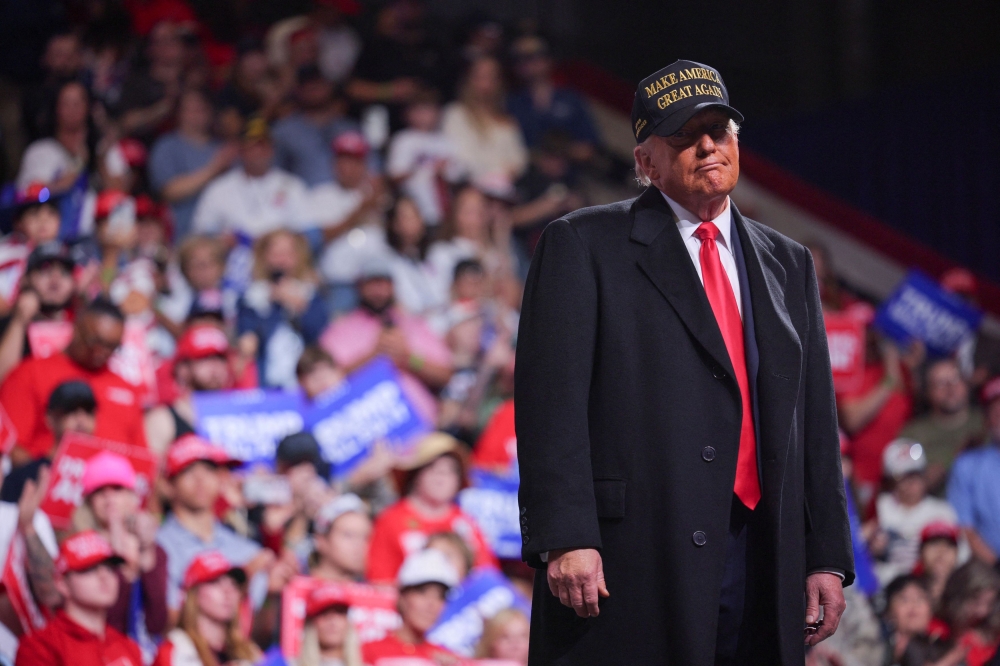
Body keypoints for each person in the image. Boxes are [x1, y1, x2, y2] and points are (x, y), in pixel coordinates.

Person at [515, 60, 853, 664]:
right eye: (684, 137)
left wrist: (825, 553)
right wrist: (565, 535)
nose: (707, 147)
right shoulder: (583, 244)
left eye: (718, 132)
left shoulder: (790, 262)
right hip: (636, 551)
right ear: (645, 162)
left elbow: (815, 422)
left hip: (762, 550)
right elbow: (550, 406)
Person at [0, 298, 147, 465]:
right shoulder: (30, 373)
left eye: (112, 347)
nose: (102, 352)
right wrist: (51, 472)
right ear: (76, 328)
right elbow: (11, 446)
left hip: (115, 479)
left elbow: (141, 460)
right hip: (46, 474)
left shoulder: (127, 389)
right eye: (95, 342)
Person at [156, 434, 294, 612]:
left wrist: (272, 594)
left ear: (220, 478)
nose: (200, 478)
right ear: (168, 485)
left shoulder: (245, 548)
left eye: (209, 469)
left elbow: (259, 626)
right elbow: (164, 619)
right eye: (188, 470)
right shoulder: (159, 547)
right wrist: (243, 579)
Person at [319, 258, 452, 424]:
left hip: (421, 425)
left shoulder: (413, 324)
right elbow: (325, 384)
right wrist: (374, 355)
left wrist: (409, 358)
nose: (378, 291)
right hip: (367, 426)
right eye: (372, 284)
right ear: (360, 286)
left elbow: (444, 375)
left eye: (383, 283)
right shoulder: (339, 330)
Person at [367, 432, 497, 584]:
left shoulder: (468, 523)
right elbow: (380, 582)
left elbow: (488, 579)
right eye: (432, 467)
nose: (442, 475)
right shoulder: (390, 520)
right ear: (415, 474)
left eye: (452, 470)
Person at [74, 451, 169, 639]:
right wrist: (119, 560)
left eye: (117, 489)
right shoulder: (79, 553)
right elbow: (105, 623)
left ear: (132, 496)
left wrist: (146, 552)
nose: (109, 498)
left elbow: (157, 622)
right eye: (99, 491)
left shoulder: (155, 550)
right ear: (88, 502)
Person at [15, 531, 142, 666]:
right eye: (89, 568)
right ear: (62, 584)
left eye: (110, 567)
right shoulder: (39, 648)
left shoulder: (129, 647)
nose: (104, 575)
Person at [192, 117, 314, 238]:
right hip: (234, 251)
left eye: (262, 146)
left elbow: (307, 231)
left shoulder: (292, 185)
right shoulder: (219, 188)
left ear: (272, 150)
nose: (257, 153)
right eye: (251, 147)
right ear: (241, 151)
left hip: (279, 249)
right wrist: (222, 241)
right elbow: (201, 232)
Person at [236, 229, 328, 389]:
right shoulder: (252, 296)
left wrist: (299, 306)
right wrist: (272, 302)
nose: (282, 261)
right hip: (266, 379)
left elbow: (318, 335)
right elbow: (248, 338)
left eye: (288, 254)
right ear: (264, 258)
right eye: (276, 254)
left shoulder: (310, 293)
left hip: (303, 378)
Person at [307, 131, 388, 310]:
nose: (348, 167)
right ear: (334, 164)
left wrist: (384, 203)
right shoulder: (320, 195)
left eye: (355, 161)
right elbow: (319, 238)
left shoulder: (377, 194)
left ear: (364, 164)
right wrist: (360, 210)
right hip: (340, 283)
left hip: (379, 282)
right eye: (343, 160)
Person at [148, 88, 239, 240]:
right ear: (179, 114)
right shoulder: (167, 146)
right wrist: (214, 169)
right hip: (183, 234)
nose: (196, 115)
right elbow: (169, 191)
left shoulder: (222, 147)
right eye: (189, 110)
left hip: (224, 234)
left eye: (201, 109)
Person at [873, 438, 960, 585]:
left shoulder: (942, 511)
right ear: (891, 481)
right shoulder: (879, 507)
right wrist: (871, 547)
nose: (913, 482)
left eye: (917, 474)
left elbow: (960, 554)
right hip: (885, 584)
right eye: (904, 477)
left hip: (927, 585)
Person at [153, 551, 262, 666]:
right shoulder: (175, 650)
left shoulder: (251, 652)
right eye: (215, 582)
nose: (228, 590)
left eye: (234, 584)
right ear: (193, 594)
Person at [144, 323, 237, 455]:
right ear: (183, 369)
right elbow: (150, 467)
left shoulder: (241, 417)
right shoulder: (163, 420)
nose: (215, 366)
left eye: (221, 358)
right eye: (205, 358)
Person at [506, 36, 600, 162]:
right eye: (521, 59)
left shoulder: (570, 99)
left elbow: (589, 147)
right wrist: (538, 158)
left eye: (535, 56)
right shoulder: (512, 103)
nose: (529, 63)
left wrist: (559, 151)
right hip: (524, 168)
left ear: (548, 59)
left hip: (569, 169)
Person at [360, 549, 460, 665]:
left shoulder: (447, 659)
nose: (432, 604)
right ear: (402, 597)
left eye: (440, 596)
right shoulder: (368, 652)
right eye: (422, 592)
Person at [900, 358, 985, 491]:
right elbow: (903, 489)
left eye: (955, 379)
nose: (950, 388)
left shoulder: (987, 423)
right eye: (940, 383)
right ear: (928, 392)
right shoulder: (913, 434)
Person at [0, 241, 78, 381]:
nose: (55, 279)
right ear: (25, 279)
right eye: (45, 270)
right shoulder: (7, 325)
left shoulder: (81, 328)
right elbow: (4, 379)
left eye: (64, 272)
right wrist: (19, 322)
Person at [441, 56, 528, 182]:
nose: (486, 84)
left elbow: (519, 160)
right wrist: (491, 175)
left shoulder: (506, 119)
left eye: (492, 77)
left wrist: (502, 176)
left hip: (503, 186)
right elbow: (460, 156)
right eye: (480, 77)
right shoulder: (455, 114)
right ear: (469, 80)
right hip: (468, 185)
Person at [386, 88, 462, 227]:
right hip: (413, 207)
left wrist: (442, 171)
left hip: (441, 208)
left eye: (428, 110)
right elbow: (394, 176)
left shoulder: (445, 141)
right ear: (408, 113)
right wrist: (422, 169)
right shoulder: (403, 139)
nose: (423, 115)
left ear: (438, 113)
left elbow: (456, 177)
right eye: (418, 110)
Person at [272, 63, 357, 187]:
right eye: (309, 85)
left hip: (348, 194)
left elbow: (373, 167)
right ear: (298, 90)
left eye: (319, 84)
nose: (315, 90)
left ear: (329, 86)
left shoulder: (349, 128)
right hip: (302, 195)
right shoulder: (284, 131)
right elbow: (271, 175)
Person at [948, 376, 1000, 565]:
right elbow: (964, 526)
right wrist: (995, 566)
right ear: (987, 420)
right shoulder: (967, 465)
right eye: (996, 412)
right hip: (990, 569)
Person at [16, 80, 94, 193]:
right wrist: (77, 165)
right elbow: (33, 194)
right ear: (56, 109)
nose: (72, 110)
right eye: (66, 103)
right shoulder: (40, 151)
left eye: (77, 103)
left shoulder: (99, 149)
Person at [384, 195, 445, 315]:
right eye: (406, 217)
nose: (413, 222)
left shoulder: (438, 254)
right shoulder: (387, 262)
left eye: (415, 215)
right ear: (394, 224)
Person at [933, 561, 1000, 666]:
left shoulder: (992, 638)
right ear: (958, 596)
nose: (982, 611)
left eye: (989, 604)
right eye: (976, 602)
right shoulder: (931, 629)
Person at [295, 583, 364, 666]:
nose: (333, 622)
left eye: (340, 612)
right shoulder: (288, 663)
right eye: (324, 613)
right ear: (310, 622)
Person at [310, 493, 372, 582]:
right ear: (321, 540)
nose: (360, 545)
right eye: (348, 535)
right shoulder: (295, 586)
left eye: (366, 537)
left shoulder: (378, 588)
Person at [883, 574, 934, 665]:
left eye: (920, 598)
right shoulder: (877, 645)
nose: (913, 604)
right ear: (889, 611)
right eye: (904, 599)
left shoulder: (943, 647)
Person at [918, 522, 961, 608]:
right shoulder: (910, 589)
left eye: (948, 545)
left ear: (957, 553)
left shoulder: (967, 591)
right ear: (921, 552)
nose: (941, 551)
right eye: (934, 544)